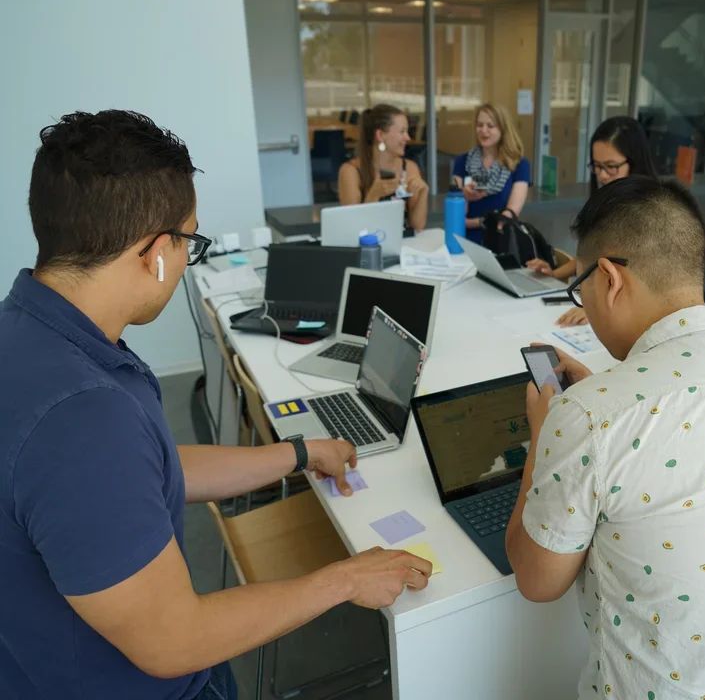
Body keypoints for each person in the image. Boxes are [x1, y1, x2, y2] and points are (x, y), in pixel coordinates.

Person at [0, 110, 432, 700]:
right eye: (189, 242)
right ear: (156, 251)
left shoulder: (29, 336)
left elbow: (149, 471)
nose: (185, 261)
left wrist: (300, 452)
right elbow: (173, 641)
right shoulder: (83, 416)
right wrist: (344, 579)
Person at [506, 176, 705, 700]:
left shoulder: (588, 416)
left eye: (578, 287)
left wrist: (546, 435)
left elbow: (537, 583)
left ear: (608, 278)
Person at [527, 116, 658, 326]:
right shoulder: (605, 199)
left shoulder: (652, 211)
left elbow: (644, 282)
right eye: (597, 166)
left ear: (635, 162)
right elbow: (591, 256)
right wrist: (553, 274)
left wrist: (597, 309)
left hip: (629, 317)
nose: (603, 175)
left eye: (611, 166)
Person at [338, 104, 428, 233]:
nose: (408, 138)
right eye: (402, 131)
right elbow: (352, 226)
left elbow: (417, 226)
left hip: (404, 245)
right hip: (367, 246)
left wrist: (423, 192)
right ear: (380, 135)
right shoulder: (351, 171)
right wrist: (374, 194)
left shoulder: (409, 168)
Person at [452, 103, 530, 244]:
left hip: (501, 241)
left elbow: (510, 214)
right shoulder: (462, 161)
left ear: (503, 129)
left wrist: (474, 222)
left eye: (490, 126)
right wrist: (463, 195)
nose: (483, 130)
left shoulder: (519, 165)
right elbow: (455, 215)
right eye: (480, 125)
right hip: (465, 241)